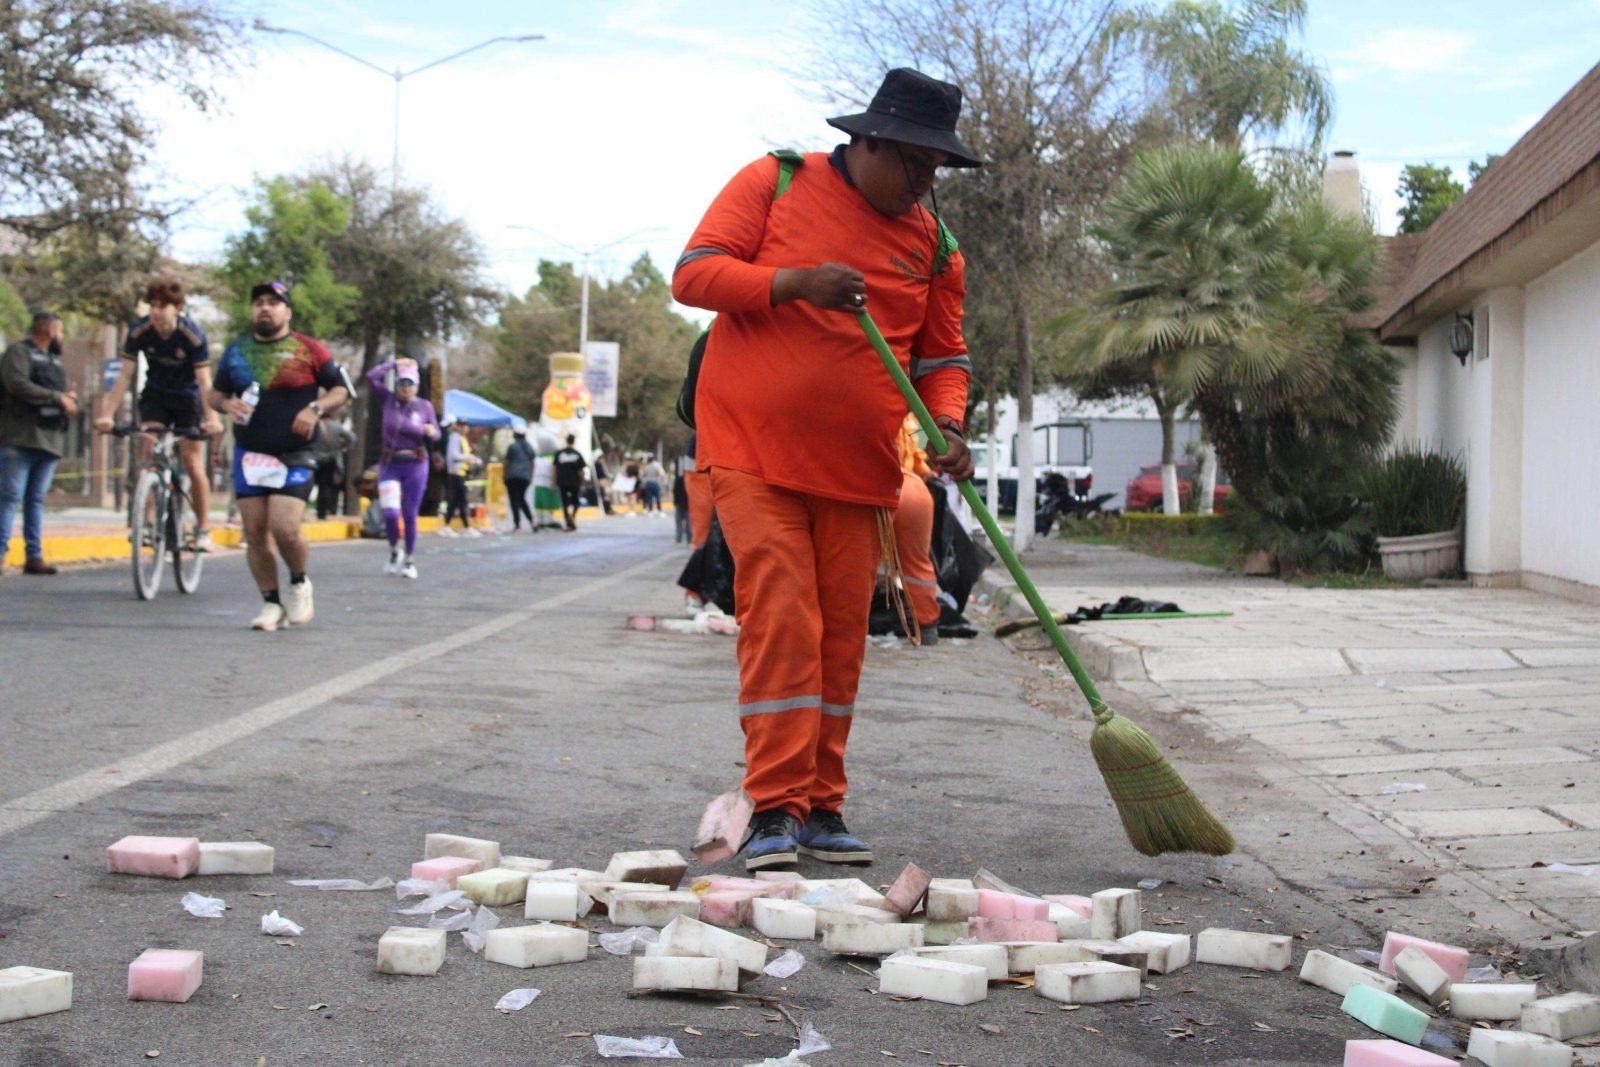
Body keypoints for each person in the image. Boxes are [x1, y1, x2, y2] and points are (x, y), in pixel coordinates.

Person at [671, 67, 978, 870]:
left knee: (841, 637)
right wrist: (793, 283)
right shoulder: (775, 182)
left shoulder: (936, 247)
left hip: (857, 469)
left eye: (936, 168)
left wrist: (947, 424)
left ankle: (820, 803)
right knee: (783, 616)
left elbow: (943, 357)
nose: (924, 182)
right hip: (752, 449)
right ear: (868, 140)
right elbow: (694, 272)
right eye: (914, 162)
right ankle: (774, 802)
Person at [206, 281, 351, 631]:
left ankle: (299, 582)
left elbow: (340, 390)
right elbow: (214, 394)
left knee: (284, 528)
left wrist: (315, 409)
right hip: (251, 454)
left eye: (273, 302)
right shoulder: (237, 351)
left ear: (288, 312)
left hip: (296, 451)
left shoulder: (308, 349)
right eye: (259, 302)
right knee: (255, 532)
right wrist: (226, 404)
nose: (265, 308)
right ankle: (270, 602)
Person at [95, 276, 222, 550]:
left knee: (192, 463)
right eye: (152, 305)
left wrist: (212, 419)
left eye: (162, 306)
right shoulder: (140, 330)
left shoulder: (192, 335)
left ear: (177, 308)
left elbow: (204, 382)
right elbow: (124, 375)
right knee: (149, 454)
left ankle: (203, 529)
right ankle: (147, 523)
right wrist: (107, 415)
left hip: (188, 398)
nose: (155, 311)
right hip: (156, 395)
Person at [0, 311, 75, 576]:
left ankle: (34, 556)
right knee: (10, 497)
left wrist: (67, 399)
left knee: (36, 500)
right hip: (20, 439)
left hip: (49, 441)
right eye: (61, 331)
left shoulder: (54, 361)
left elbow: (57, 394)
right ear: (50, 331)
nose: (62, 336)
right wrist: (57, 397)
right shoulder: (17, 354)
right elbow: (16, 384)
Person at [367, 357, 439, 577]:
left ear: (416, 386)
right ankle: (393, 550)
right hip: (390, 463)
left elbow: (437, 433)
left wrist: (430, 431)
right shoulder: (388, 400)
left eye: (409, 384)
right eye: (401, 383)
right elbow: (371, 377)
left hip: (415, 464)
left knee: (409, 513)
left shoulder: (424, 406)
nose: (405, 388)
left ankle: (409, 560)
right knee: (390, 513)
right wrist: (393, 364)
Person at [440, 416, 479, 536]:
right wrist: (468, 457)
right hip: (455, 473)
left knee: (456, 501)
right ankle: (464, 526)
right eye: (461, 425)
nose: (464, 428)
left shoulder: (462, 439)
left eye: (465, 425)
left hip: (461, 473)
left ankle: (450, 525)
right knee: (459, 500)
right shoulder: (455, 438)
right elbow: (453, 455)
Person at [312, 415, 354, 519]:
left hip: (313, 458)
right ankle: (322, 512)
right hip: (330, 460)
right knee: (325, 486)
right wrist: (342, 447)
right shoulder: (336, 426)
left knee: (309, 484)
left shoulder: (314, 424)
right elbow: (352, 438)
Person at [502, 422, 536, 532]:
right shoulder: (529, 447)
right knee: (521, 499)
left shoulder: (512, 446)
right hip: (524, 477)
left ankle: (517, 523)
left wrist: (504, 475)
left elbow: (506, 462)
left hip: (512, 476)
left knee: (514, 500)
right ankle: (531, 521)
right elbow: (532, 463)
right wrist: (530, 476)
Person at [552, 433, 587, 531]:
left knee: (564, 503)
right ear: (573, 442)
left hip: (562, 481)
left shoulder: (559, 454)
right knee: (576, 501)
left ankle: (568, 522)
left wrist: (553, 481)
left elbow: (554, 468)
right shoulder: (577, 454)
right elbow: (580, 471)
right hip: (574, 481)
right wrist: (583, 481)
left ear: (566, 441)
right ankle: (572, 516)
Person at [672, 460, 690, 544]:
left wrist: (675, 501)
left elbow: (674, 491)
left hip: (681, 504)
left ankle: (679, 539)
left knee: (680, 523)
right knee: (688, 524)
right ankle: (689, 539)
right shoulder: (691, 481)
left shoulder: (679, 479)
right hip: (687, 504)